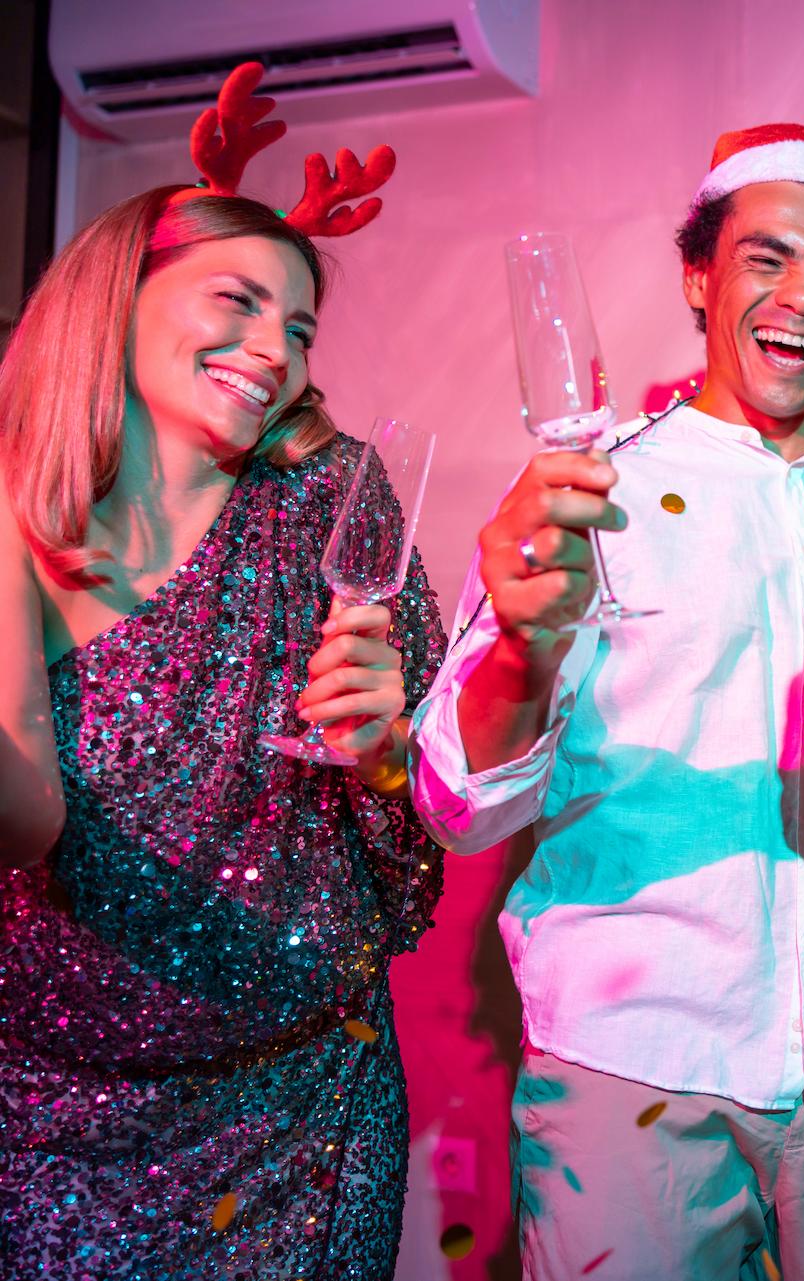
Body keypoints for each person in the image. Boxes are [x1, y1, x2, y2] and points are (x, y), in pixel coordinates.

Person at [408, 123, 804, 1281]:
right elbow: (457, 804)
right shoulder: (599, 489)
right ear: (700, 275)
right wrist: (526, 647)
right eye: (768, 258)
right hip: (632, 1070)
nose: (803, 297)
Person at [0, 65, 443, 1278]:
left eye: (298, 327)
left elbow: (443, 787)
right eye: (238, 302)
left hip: (311, 1105)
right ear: (115, 300)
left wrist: (392, 749)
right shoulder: (13, 516)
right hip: (58, 1122)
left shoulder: (333, 493)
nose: (273, 350)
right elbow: (25, 818)